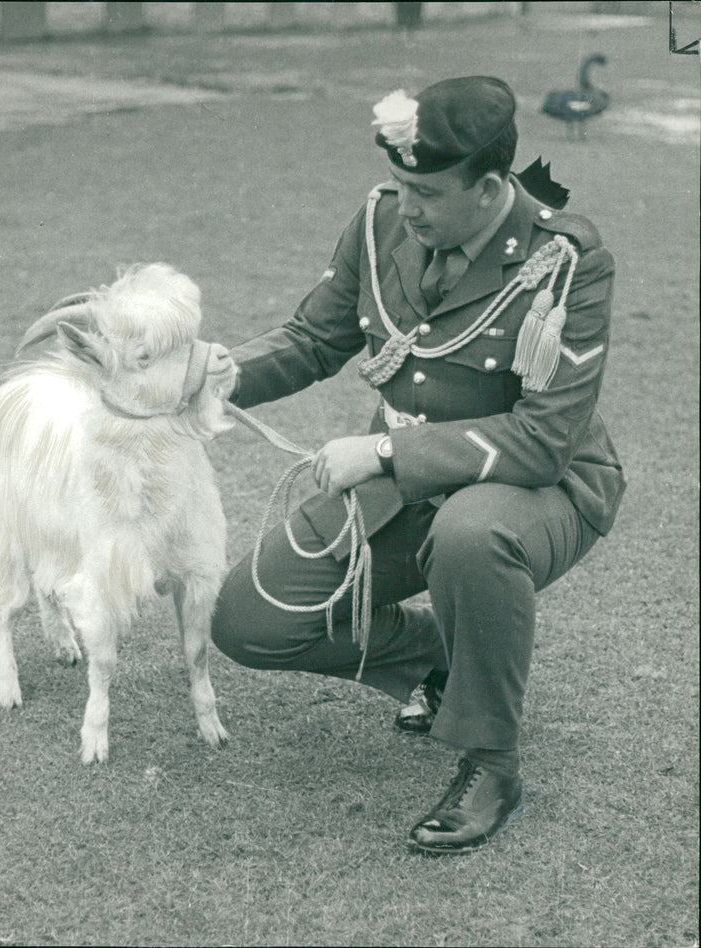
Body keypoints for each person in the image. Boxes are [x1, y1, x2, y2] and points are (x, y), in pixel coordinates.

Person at [211, 76, 625, 855]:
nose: (407, 208)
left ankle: (491, 763)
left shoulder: (566, 260)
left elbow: (544, 438)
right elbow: (314, 338)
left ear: (492, 188)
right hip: (406, 484)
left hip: (537, 488)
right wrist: (217, 375)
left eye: (428, 194)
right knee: (250, 620)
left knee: (471, 534)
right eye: (401, 186)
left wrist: (384, 451)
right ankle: (443, 660)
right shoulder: (380, 222)